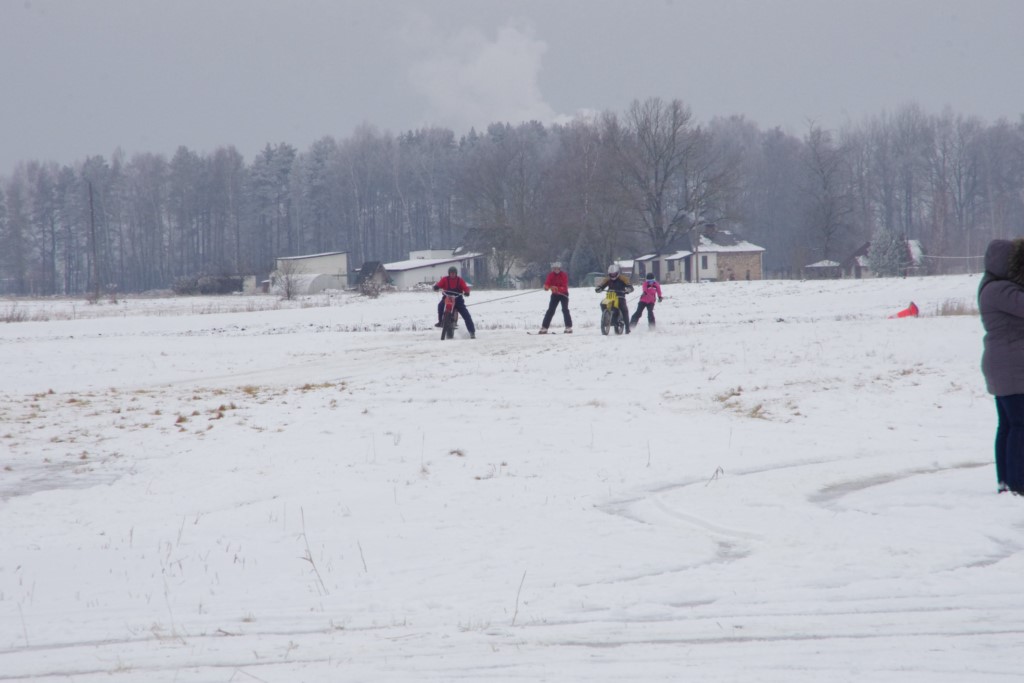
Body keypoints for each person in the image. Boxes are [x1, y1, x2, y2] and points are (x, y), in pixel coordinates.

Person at [979, 238, 1024, 495]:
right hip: (1011, 365)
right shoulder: (1000, 290)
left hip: (1005, 363)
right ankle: (1016, 482)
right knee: (1019, 424)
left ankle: (1006, 481)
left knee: (1008, 424)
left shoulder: (992, 287)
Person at [433, 266, 476, 339]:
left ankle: (472, 332)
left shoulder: (460, 280)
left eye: (454, 273)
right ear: (449, 273)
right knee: (440, 306)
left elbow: (465, 287)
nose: (452, 274)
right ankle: (440, 322)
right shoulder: (444, 279)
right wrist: (436, 286)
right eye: (451, 273)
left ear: (456, 273)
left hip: (458, 299)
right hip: (447, 298)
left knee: (466, 315)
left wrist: (467, 292)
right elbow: (439, 284)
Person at [594, 264, 634, 333]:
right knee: (602, 304)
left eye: (614, 274)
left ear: (617, 273)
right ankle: (606, 317)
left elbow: (630, 286)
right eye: (611, 274)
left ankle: (627, 328)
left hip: (620, 296)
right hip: (610, 297)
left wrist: (628, 289)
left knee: (624, 309)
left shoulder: (623, 278)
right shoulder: (608, 279)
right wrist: (599, 288)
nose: (613, 275)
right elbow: (602, 285)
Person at [538, 261, 572, 334]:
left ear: (560, 268)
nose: (556, 270)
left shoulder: (564, 275)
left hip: (563, 294)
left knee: (565, 310)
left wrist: (557, 288)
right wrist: (546, 287)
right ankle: (544, 327)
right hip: (555, 295)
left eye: (557, 268)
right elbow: (547, 283)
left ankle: (568, 327)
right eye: (554, 268)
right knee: (550, 310)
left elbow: (564, 286)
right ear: (553, 269)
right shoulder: (550, 275)